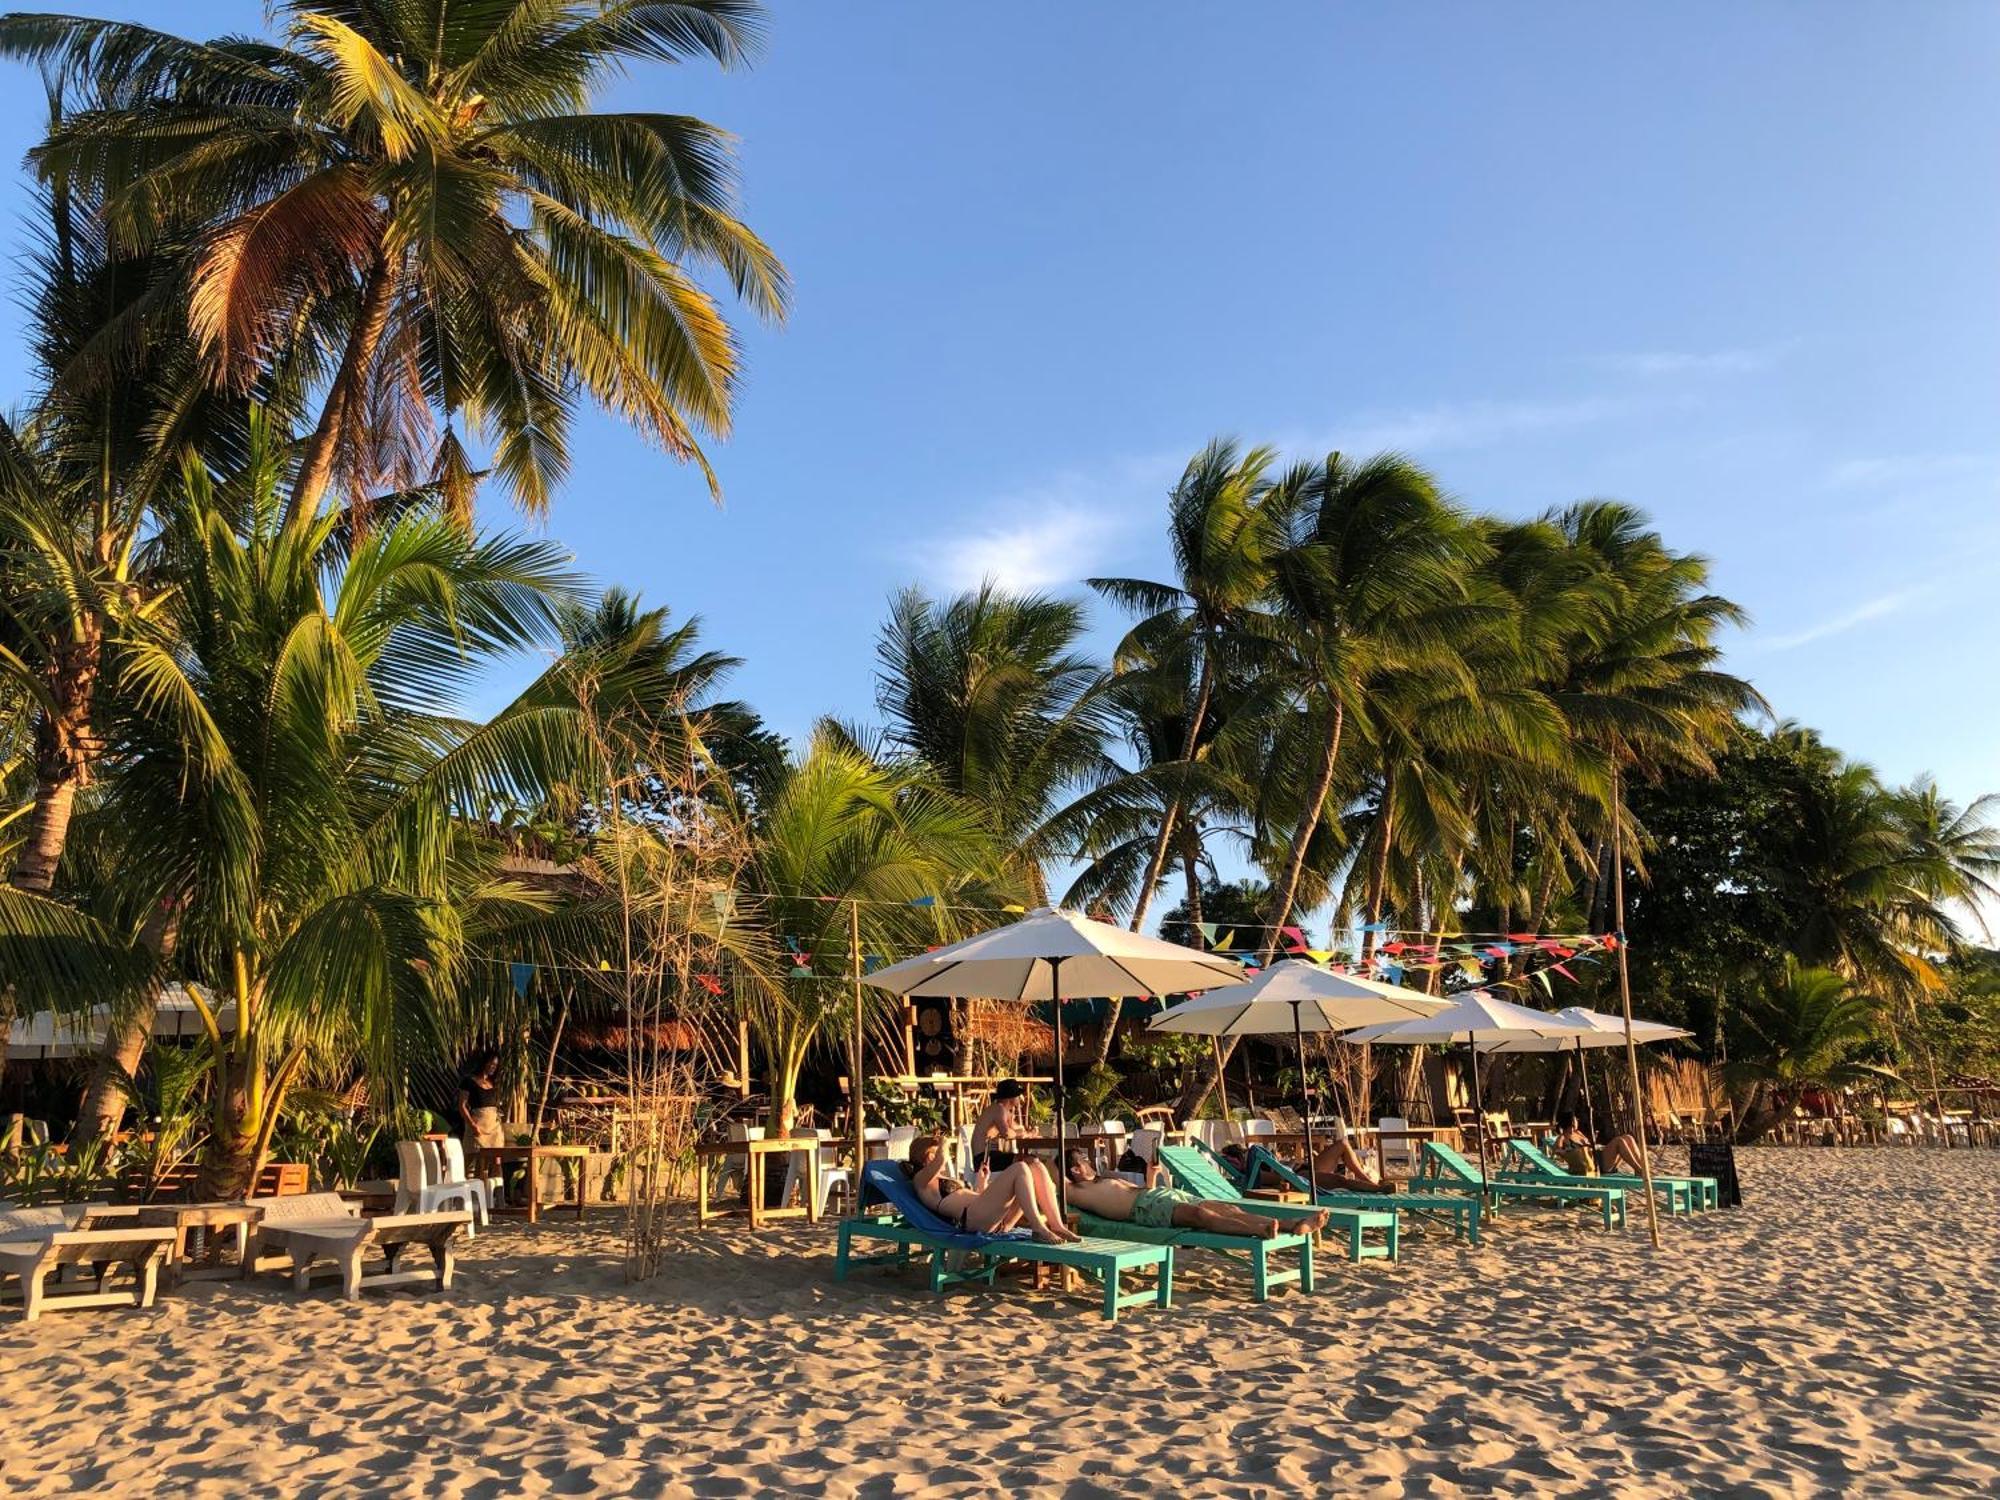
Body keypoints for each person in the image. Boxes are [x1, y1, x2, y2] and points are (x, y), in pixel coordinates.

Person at [1063, 1149, 1327, 1240]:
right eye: (1084, 1159)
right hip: (1145, 1210)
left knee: (1227, 1208)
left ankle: (1294, 1224)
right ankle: (1261, 1229)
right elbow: (1049, 1173)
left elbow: (1139, 1190)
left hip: (1159, 1194)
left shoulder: (1102, 1179)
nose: (1089, 1160)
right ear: (1074, 1169)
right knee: (1202, 1215)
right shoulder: (1076, 1190)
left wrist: (1151, 1174)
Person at [906, 1129, 1077, 1244]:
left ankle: (1057, 1225)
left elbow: (978, 1197)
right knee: (1020, 1168)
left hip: (994, 1220)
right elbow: (941, 1159)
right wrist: (942, 1142)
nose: (944, 1156)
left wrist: (982, 1182)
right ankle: (1038, 1227)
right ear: (927, 1157)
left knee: (1036, 1165)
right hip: (973, 1219)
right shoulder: (921, 1181)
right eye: (934, 1153)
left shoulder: (943, 1177)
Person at [967, 1079, 1027, 1171]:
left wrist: (1027, 1133)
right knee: (1029, 1161)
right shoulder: (998, 1109)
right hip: (984, 1160)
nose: (1020, 1097)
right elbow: (1007, 1133)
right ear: (1011, 1097)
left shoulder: (1003, 1111)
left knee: (1030, 1161)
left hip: (989, 1157)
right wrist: (1020, 1133)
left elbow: (1017, 1129)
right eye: (1018, 1095)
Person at [1556, 1114, 1645, 1176]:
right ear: (1569, 1122)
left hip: (1598, 1156)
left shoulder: (1578, 1133)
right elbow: (1557, 1150)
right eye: (1575, 1120)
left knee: (1628, 1137)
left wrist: (1592, 1140)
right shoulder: (1562, 1137)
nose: (1577, 1121)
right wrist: (1568, 1152)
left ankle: (1641, 1168)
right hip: (1596, 1163)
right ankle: (1640, 1170)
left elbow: (1589, 1145)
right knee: (1619, 1141)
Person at [459, 1050, 505, 1150]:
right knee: (471, 1158)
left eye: (495, 1065)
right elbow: (462, 1106)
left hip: (494, 1129)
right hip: (477, 1127)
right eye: (491, 1063)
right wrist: (472, 1125)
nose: (493, 1067)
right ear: (484, 1062)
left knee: (497, 1162)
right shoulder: (469, 1081)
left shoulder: (493, 1083)